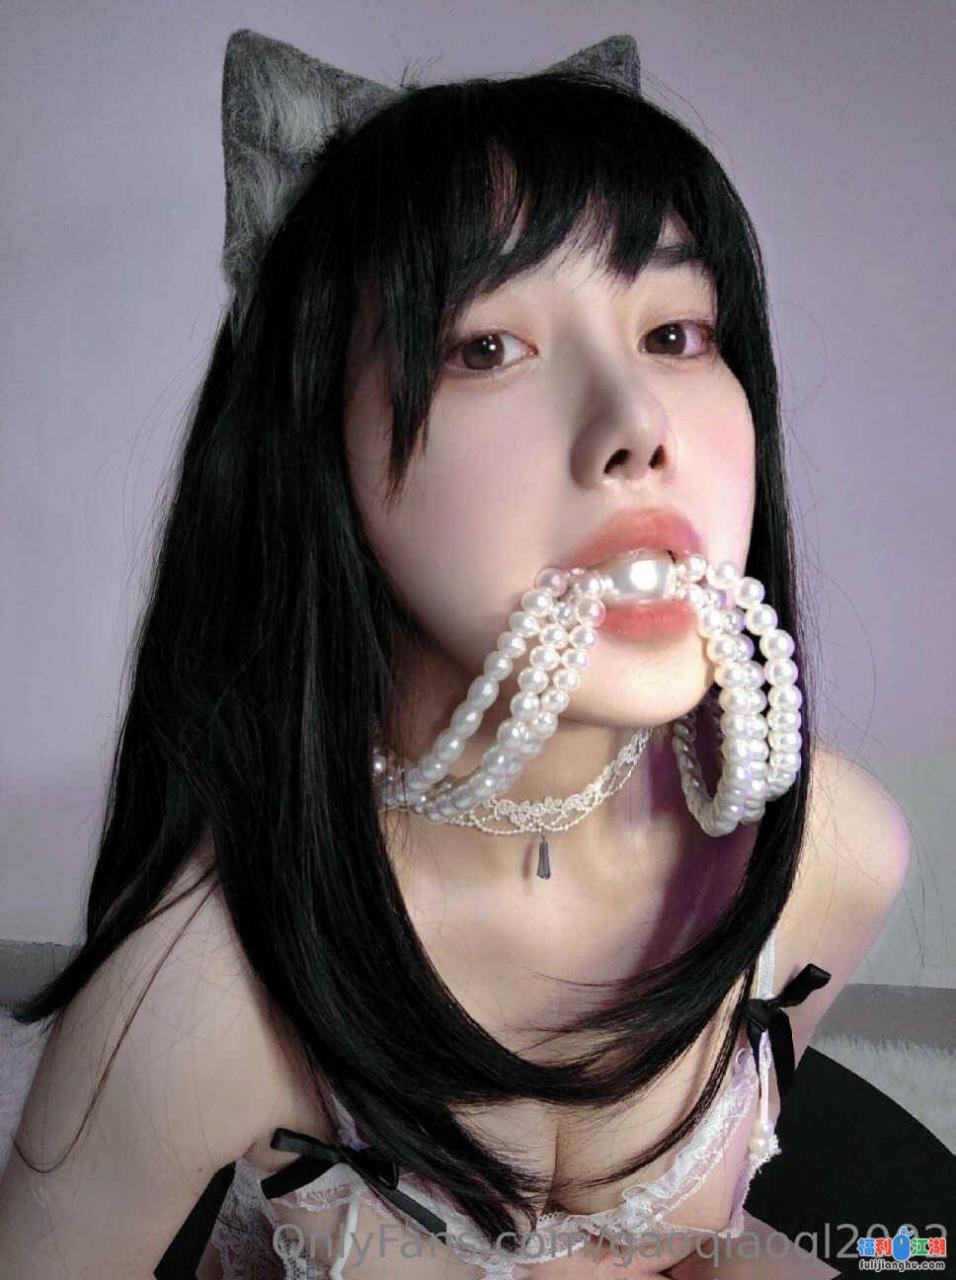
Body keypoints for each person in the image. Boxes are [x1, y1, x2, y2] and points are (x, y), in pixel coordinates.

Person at [0, 28, 911, 1280]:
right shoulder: (195, 996)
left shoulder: (834, 852)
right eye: (485, 347)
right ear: (316, 440)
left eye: (673, 333)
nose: (636, 425)